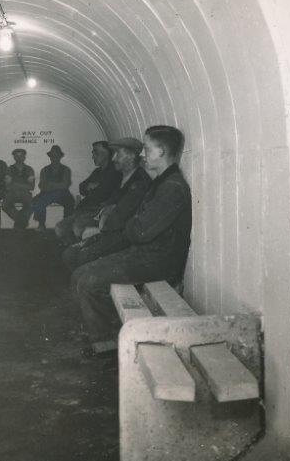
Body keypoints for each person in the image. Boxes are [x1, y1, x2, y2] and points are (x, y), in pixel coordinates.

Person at [71, 126, 192, 354]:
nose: (143, 155)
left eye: (147, 149)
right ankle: (104, 334)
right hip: (145, 254)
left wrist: (130, 224)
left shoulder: (172, 187)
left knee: (88, 281)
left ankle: (108, 344)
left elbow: (140, 231)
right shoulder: (162, 182)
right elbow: (138, 225)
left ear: (162, 152)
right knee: (80, 273)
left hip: (159, 262)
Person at [61, 137, 152, 271]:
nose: (114, 158)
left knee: (74, 255)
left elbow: (122, 215)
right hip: (108, 223)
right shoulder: (123, 176)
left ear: (131, 156)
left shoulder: (139, 181)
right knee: (71, 253)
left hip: (120, 233)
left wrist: (103, 218)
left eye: (118, 154)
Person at [55, 141, 121, 245]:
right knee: (60, 227)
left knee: (77, 226)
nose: (93, 156)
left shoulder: (115, 171)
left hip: (98, 211)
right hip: (84, 210)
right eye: (93, 153)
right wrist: (91, 186)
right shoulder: (97, 172)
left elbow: (103, 194)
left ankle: (78, 250)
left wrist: (96, 186)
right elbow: (82, 187)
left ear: (107, 153)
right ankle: (73, 248)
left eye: (96, 153)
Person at [31, 145, 74, 231]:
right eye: (52, 156)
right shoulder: (44, 170)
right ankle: (41, 224)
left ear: (60, 157)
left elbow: (65, 185)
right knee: (37, 199)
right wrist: (57, 185)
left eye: (56, 156)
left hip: (62, 194)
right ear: (50, 157)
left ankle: (66, 225)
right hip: (47, 193)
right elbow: (42, 186)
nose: (54, 158)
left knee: (70, 201)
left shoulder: (66, 170)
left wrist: (50, 185)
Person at [2, 148, 35, 229]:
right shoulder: (9, 169)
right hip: (12, 193)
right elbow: (7, 186)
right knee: (5, 205)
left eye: (21, 156)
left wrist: (15, 184)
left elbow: (31, 187)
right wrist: (23, 185)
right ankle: (22, 221)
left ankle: (19, 223)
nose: (19, 158)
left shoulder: (29, 169)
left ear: (24, 157)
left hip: (25, 194)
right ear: (14, 157)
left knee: (32, 205)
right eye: (17, 156)